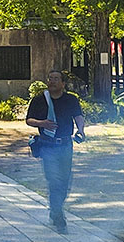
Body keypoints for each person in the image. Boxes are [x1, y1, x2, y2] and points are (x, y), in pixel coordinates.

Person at [24, 69, 86, 232]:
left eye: (56, 79)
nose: (52, 81)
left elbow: (78, 116)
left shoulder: (71, 100)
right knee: (54, 179)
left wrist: (81, 130)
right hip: (47, 145)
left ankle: (55, 209)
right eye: (50, 78)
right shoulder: (39, 100)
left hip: (66, 145)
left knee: (64, 181)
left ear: (63, 83)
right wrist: (42, 123)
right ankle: (58, 215)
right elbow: (29, 120)